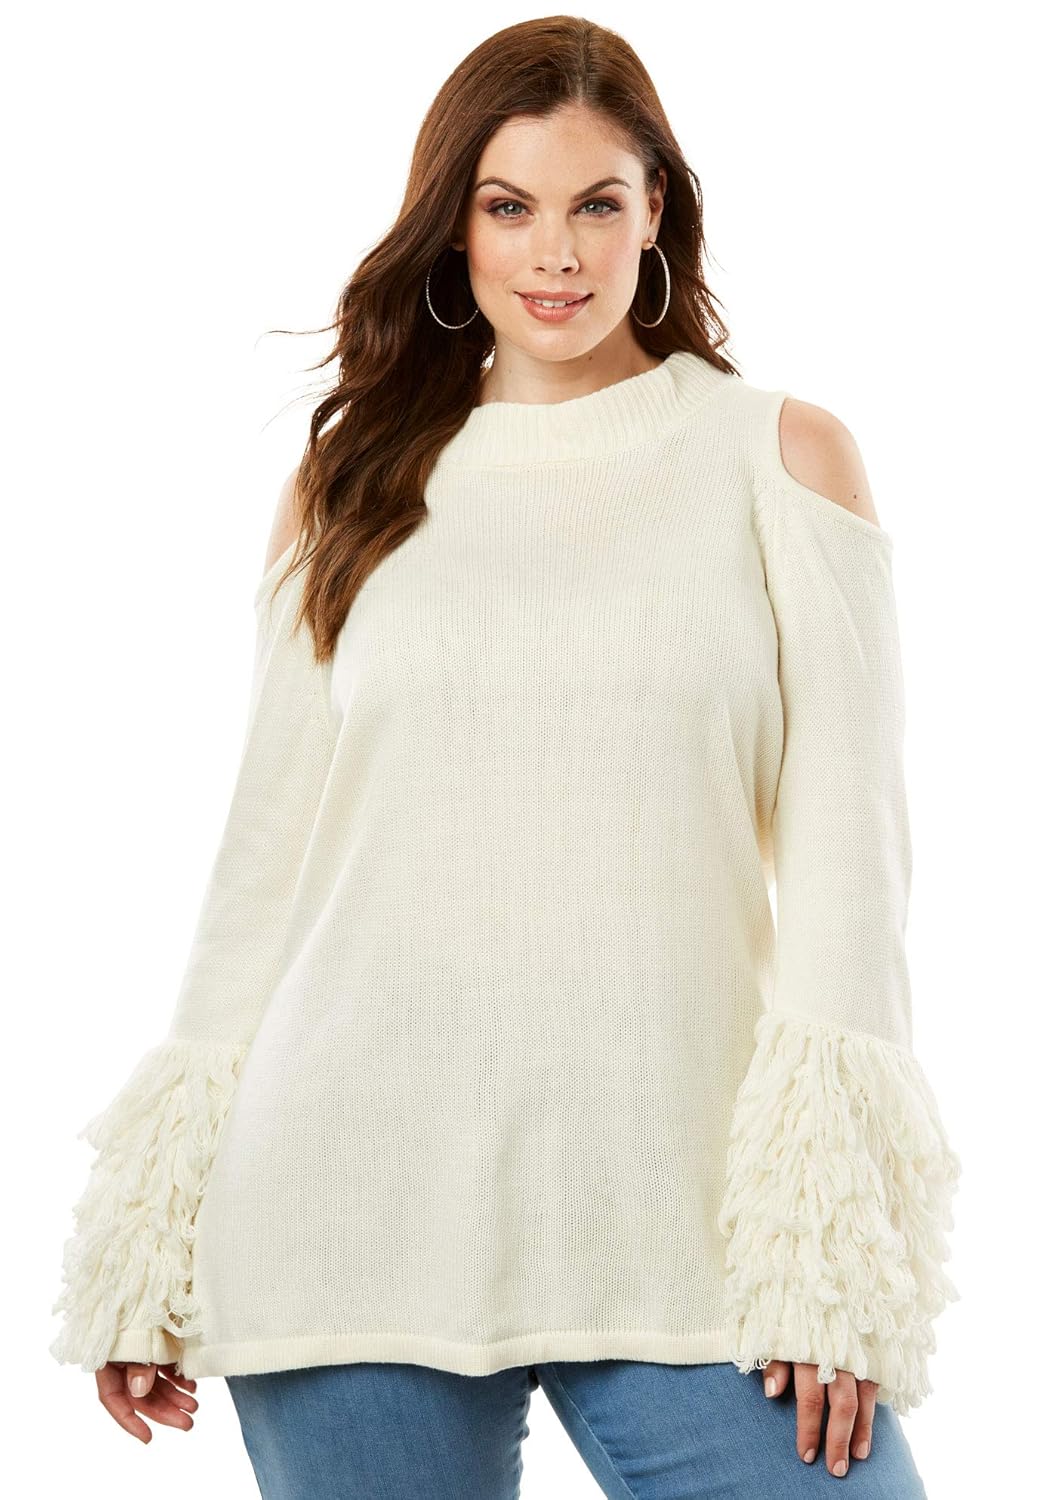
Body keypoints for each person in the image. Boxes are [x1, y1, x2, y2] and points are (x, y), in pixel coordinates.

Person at [49, 16, 961, 1497]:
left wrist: (828, 1259)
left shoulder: (778, 458)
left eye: (596, 202)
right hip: (345, 1205)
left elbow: (852, 867)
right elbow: (265, 864)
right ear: (454, 226)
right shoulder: (352, 481)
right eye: (507, 205)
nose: (555, 254)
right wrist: (147, 1238)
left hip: (686, 1222)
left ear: (656, 212)